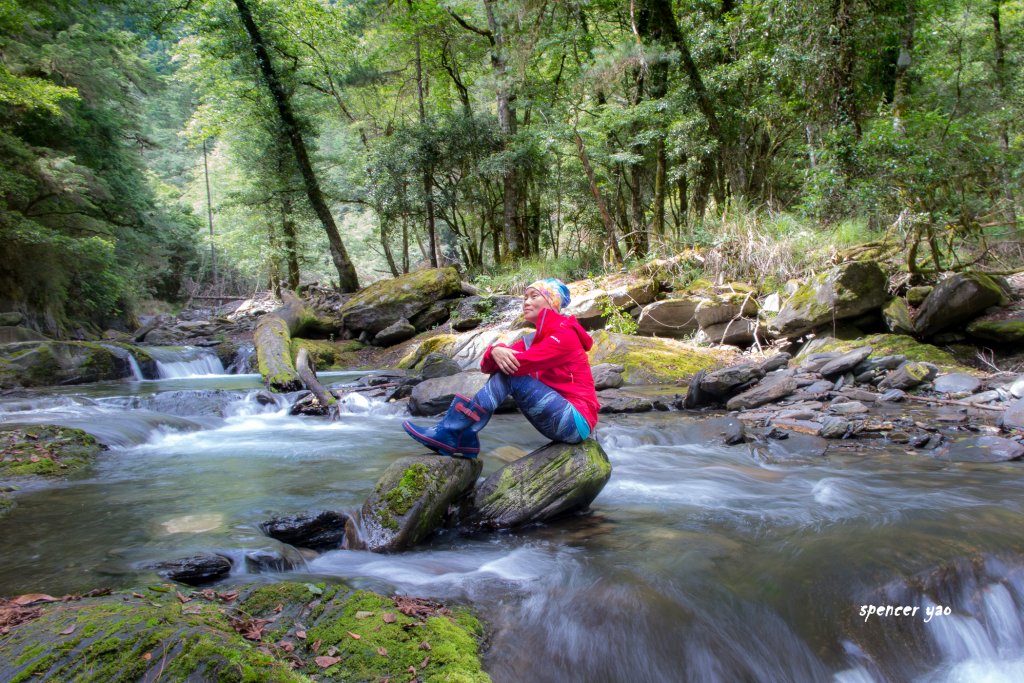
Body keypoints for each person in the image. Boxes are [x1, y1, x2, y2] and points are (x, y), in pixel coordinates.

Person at [403, 278, 599, 458]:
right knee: (505, 370)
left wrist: (499, 352)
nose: (526, 302)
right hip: (559, 417)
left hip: (577, 420)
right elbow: (486, 366)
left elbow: (517, 366)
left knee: (511, 374)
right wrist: (495, 350)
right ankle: (464, 437)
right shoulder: (532, 340)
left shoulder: (564, 333)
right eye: (525, 297)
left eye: (534, 296)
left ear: (552, 302)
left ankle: (453, 431)